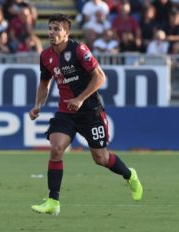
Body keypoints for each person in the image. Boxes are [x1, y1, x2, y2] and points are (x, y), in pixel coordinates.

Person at [29, 14, 143, 215]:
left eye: (57, 29)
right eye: (50, 28)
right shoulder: (45, 56)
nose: (52, 32)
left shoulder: (78, 49)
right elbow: (44, 83)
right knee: (56, 148)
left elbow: (100, 77)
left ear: (67, 33)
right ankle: (53, 202)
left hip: (90, 111)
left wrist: (80, 99)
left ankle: (129, 175)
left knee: (100, 158)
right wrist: (38, 105)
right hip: (65, 111)